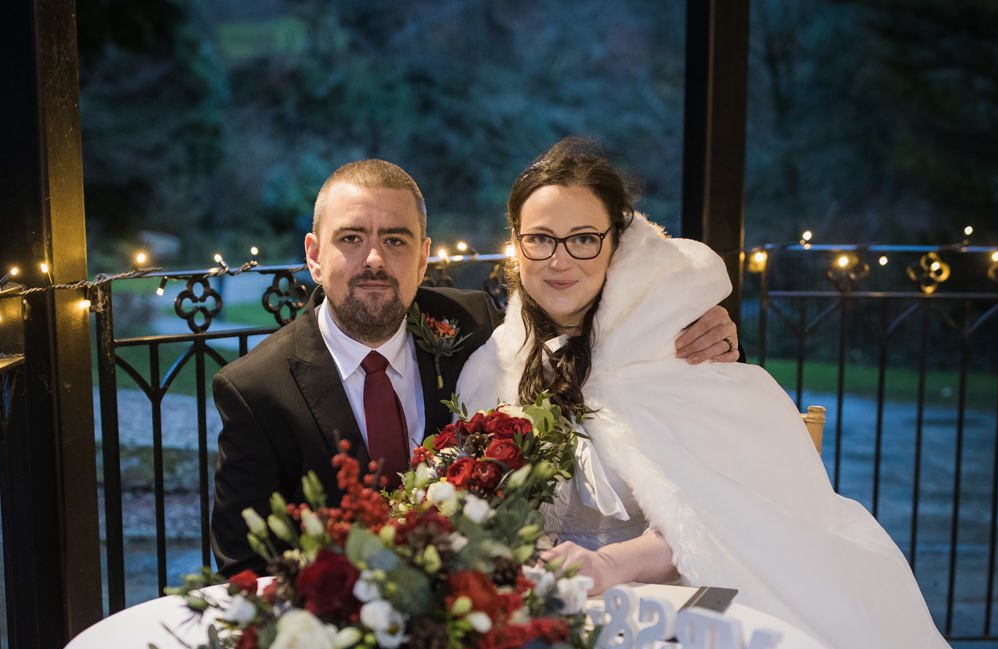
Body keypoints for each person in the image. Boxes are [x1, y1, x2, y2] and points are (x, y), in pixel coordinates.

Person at [456, 137, 998, 649]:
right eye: (540, 238)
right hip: (537, 619)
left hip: (684, 603)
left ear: (616, 242)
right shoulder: (490, 367)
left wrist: (611, 567)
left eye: (583, 237)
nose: (560, 259)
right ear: (515, 242)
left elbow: (723, 510)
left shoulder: (684, 347)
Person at [210, 159, 739, 576]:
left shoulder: (476, 328)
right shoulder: (257, 390)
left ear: (423, 258)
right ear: (313, 255)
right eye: (351, 238)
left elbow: (591, 330)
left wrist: (689, 320)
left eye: (395, 239)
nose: (374, 258)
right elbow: (245, 567)